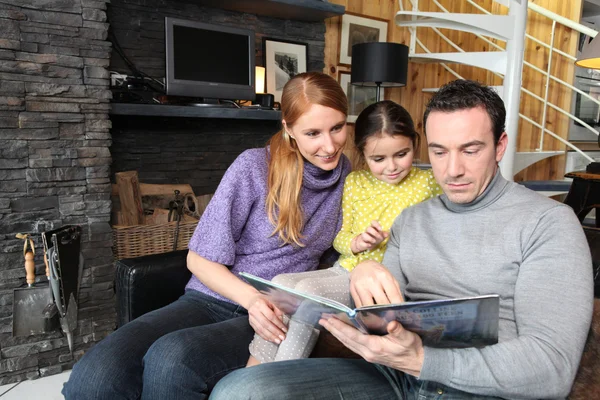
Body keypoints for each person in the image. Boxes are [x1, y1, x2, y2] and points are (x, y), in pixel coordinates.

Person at [209, 79, 594, 399]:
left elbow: (553, 368)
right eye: (440, 152)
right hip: (394, 377)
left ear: (501, 145)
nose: (453, 170)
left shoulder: (549, 223)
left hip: (477, 387)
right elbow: (380, 317)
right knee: (239, 391)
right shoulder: (412, 220)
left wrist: (422, 360)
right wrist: (364, 276)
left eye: (471, 150)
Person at [62, 71, 352, 400]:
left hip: (274, 310)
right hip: (212, 299)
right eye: (312, 133)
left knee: (173, 360)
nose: (329, 146)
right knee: (95, 374)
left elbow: (340, 261)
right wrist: (251, 299)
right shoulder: (254, 167)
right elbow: (198, 258)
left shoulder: (351, 182)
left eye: (337, 127)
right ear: (288, 129)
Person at [247, 100, 441, 366]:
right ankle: (255, 373)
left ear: (414, 145)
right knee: (281, 283)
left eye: (401, 154)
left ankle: (280, 378)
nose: (391, 166)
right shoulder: (355, 182)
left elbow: (440, 232)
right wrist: (358, 241)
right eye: (378, 159)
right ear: (363, 153)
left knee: (307, 292)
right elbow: (340, 239)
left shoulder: (427, 183)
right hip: (345, 269)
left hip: (379, 283)